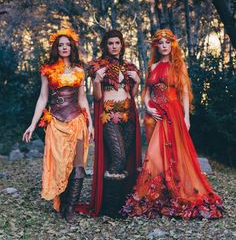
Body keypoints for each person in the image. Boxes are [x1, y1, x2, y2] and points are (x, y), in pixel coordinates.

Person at [121, 29, 223, 220]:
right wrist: (148, 107)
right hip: (156, 116)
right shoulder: (153, 67)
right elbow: (146, 93)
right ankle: (156, 195)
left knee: (176, 152)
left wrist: (186, 117)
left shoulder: (178, 66)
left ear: (172, 45)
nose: (165, 46)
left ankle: (176, 191)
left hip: (174, 113)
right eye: (161, 43)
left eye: (168, 42)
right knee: (154, 153)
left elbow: (184, 93)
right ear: (156, 46)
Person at [23, 28, 93, 223]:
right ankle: (62, 203)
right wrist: (32, 123)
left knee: (78, 166)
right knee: (61, 165)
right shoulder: (47, 70)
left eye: (67, 45)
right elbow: (43, 98)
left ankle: (70, 208)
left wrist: (91, 124)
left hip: (77, 121)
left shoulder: (79, 70)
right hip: (56, 123)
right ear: (56, 47)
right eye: (60, 44)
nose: (64, 48)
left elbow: (83, 100)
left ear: (72, 48)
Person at [80, 29, 142, 217]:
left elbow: (132, 96)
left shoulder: (130, 66)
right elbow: (97, 97)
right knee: (118, 156)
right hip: (108, 116)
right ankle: (109, 207)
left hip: (128, 116)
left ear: (122, 45)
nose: (114, 46)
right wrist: (98, 80)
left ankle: (123, 203)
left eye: (117, 43)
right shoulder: (97, 66)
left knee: (126, 158)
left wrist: (138, 83)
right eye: (110, 43)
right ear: (105, 45)